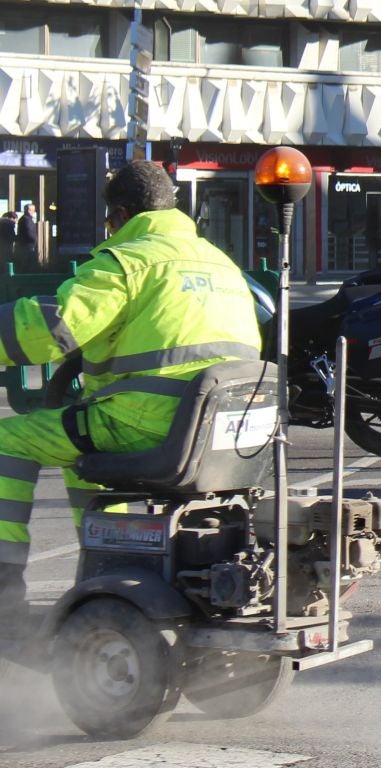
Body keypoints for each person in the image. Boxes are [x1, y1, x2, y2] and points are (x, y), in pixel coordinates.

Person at [0, 161, 262, 635]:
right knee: (81, 445)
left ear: (119, 215)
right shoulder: (219, 263)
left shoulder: (128, 261)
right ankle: (111, 565)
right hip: (221, 434)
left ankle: (3, 594)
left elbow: (49, 329)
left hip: (147, 424)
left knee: (8, 440)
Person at [15, 200, 39, 271]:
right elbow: (29, 232)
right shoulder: (26, 220)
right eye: (33, 210)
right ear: (28, 210)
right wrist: (34, 240)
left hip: (27, 244)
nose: (34, 212)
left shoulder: (25, 219)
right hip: (28, 245)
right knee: (28, 263)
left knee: (27, 263)